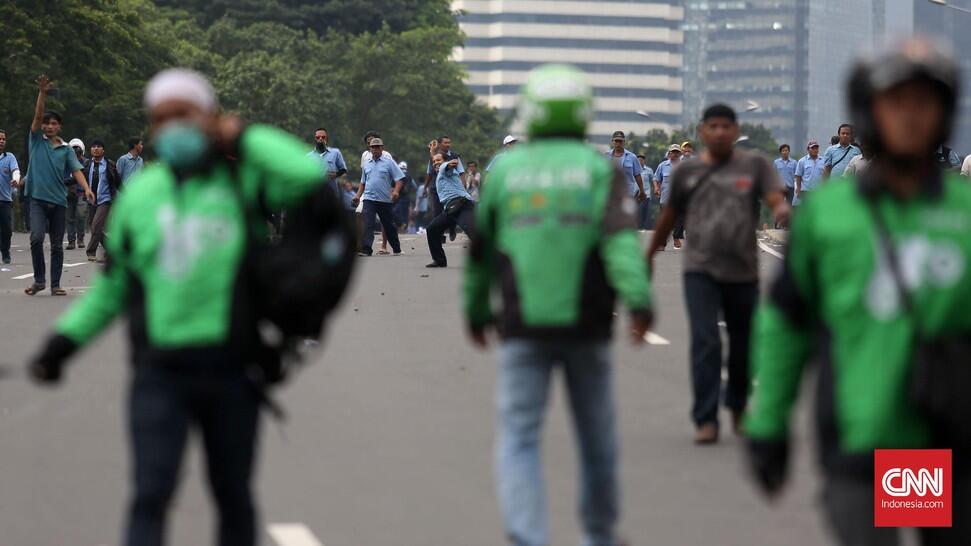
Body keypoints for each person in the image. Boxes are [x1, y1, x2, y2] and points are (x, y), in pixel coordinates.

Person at [27, 68, 350, 546]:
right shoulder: (142, 195)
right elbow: (114, 287)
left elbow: (308, 178)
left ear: (210, 119)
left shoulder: (244, 184)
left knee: (232, 492)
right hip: (160, 373)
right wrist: (62, 343)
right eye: (162, 117)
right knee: (151, 493)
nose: (173, 126)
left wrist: (243, 135)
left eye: (185, 114)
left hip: (234, 370)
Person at [744, 38, 971, 546]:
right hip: (860, 435)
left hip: (941, 439)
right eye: (896, 103)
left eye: (924, 103)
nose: (910, 116)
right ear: (871, 112)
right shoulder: (830, 216)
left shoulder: (965, 214)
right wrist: (769, 422)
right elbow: (786, 326)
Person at [464, 63, 653, 546]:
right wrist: (638, 300)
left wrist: (476, 311)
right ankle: (599, 534)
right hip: (587, 324)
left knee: (520, 436)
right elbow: (620, 243)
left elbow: (481, 250)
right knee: (595, 435)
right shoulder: (597, 170)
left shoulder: (505, 172)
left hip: (521, 323)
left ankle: (528, 536)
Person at [647, 103, 789, 444]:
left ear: (735, 130)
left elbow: (776, 200)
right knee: (706, 342)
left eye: (727, 126)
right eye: (714, 126)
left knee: (743, 345)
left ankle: (738, 407)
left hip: (743, 272)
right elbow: (669, 215)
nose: (721, 132)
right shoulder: (686, 171)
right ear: (702, 132)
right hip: (700, 270)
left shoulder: (754, 165)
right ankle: (705, 418)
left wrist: (786, 214)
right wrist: (650, 253)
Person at [24, 75, 95, 297]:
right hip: (36, 199)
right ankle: (39, 280)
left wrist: (88, 188)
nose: (50, 126)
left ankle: (55, 284)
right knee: (36, 238)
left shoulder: (65, 149)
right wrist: (42, 93)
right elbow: (37, 115)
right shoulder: (36, 140)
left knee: (56, 246)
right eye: (47, 123)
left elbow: (76, 171)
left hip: (58, 201)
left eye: (54, 123)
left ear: (59, 126)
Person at [353, 137, 404, 256]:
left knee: (388, 225)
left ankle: (396, 248)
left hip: (384, 200)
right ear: (369, 149)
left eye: (377, 147)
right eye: (372, 147)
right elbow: (363, 182)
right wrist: (357, 196)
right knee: (368, 224)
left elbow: (400, 179)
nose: (375, 149)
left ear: (382, 148)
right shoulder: (366, 164)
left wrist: (396, 191)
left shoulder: (389, 162)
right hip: (369, 199)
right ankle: (366, 249)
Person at [424, 153, 474, 268]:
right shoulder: (439, 176)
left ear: (444, 161)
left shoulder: (444, 170)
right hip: (450, 208)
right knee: (432, 229)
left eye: (438, 160)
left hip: (461, 205)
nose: (436, 163)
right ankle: (439, 260)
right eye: (434, 161)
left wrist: (450, 163)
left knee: (472, 230)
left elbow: (449, 165)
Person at [83, 139, 122, 262]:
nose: (95, 149)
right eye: (93, 147)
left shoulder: (110, 165)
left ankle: (91, 252)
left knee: (96, 226)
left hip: (105, 200)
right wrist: (62, 182)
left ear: (103, 150)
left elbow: (118, 182)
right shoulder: (87, 164)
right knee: (95, 228)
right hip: (91, 200)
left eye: (98, 147)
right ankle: (113, 249)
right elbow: (78, 178)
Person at [425, 135, 463, 242]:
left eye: (449, 142)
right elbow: (429, 173)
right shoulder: (433, 158)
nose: (448, 145)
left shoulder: (453, 157)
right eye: (446, 143)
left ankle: (452, 228)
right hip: (435, 188)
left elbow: (460, 172)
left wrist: (463, 186)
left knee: (451, 211)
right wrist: (425, 187)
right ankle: (440, 236)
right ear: (440, 144)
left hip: (450, 190)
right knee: (436, 212)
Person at [653, 144, 683, 249]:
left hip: (680, 199)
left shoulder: (685, 166)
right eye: (673, 152)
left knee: (680, 220)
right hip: (665, 198)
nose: (675, 154)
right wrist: (656, 188)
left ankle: (676, 236)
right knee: (664, 222)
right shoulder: (662, 166)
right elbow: (656, 178)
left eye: (677, 152)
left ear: (680, 153)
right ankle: (662, 243)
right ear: (669, 153)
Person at [605, 130, 647, 203]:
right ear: (612, 141)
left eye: (620, 141)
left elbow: (637, 175)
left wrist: (642, 190)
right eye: (616, 141)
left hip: (627, 193)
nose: (618, 143)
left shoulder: (632, 157)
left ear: (624, 142)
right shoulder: (606, 156)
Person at [0, 129, 22, 264]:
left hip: (5, 201)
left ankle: (5, 250)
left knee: (7, 230)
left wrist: (16, 179)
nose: (1, 141)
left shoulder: (9, 157)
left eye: (3, 139)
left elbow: (16, 171)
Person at [308, 127, 347, 193]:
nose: (320, 139)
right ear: (315, 139)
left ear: (326, 138)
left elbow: (343, 170)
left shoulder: (335, 153)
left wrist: (336, 174)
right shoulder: (309, 156)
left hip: (331, 193)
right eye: (318, 137)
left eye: (323, 137)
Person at [65, 139, 88, 250]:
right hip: (68, 193)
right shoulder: (65, 163)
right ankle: (71, 241)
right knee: (69, 218)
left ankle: (80, 238)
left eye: (78, 151)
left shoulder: (87, 163)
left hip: (81, 193)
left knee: (81, 216)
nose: (76, 153)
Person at [794, 140, 825, 204]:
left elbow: (825, 175)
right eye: (813, 148)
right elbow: (798, 176)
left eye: (816, 148)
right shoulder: (802, 161)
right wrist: (798, 189)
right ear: (808, 149)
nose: (815, 150)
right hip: (806, 191)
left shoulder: (823, 160)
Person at [393, 161, 415, 232]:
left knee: (395, 211)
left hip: (400, 196)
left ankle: (401, 226)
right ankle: (404, 228)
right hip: (406, 197)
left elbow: (394, 185)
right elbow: (414, 186)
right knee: (405, 213)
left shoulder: (399, 174)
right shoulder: (409, 175)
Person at [637, 153, 655, 230]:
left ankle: (642, 226)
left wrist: (655, 189)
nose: (640, 161)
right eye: (638, 160)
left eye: (641, 160)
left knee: (644, 210)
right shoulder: (634, 169)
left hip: (646, 194)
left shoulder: (649, 170)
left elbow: (653, 180)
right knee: (635, 210)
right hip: (636, 193)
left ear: (644, 161)